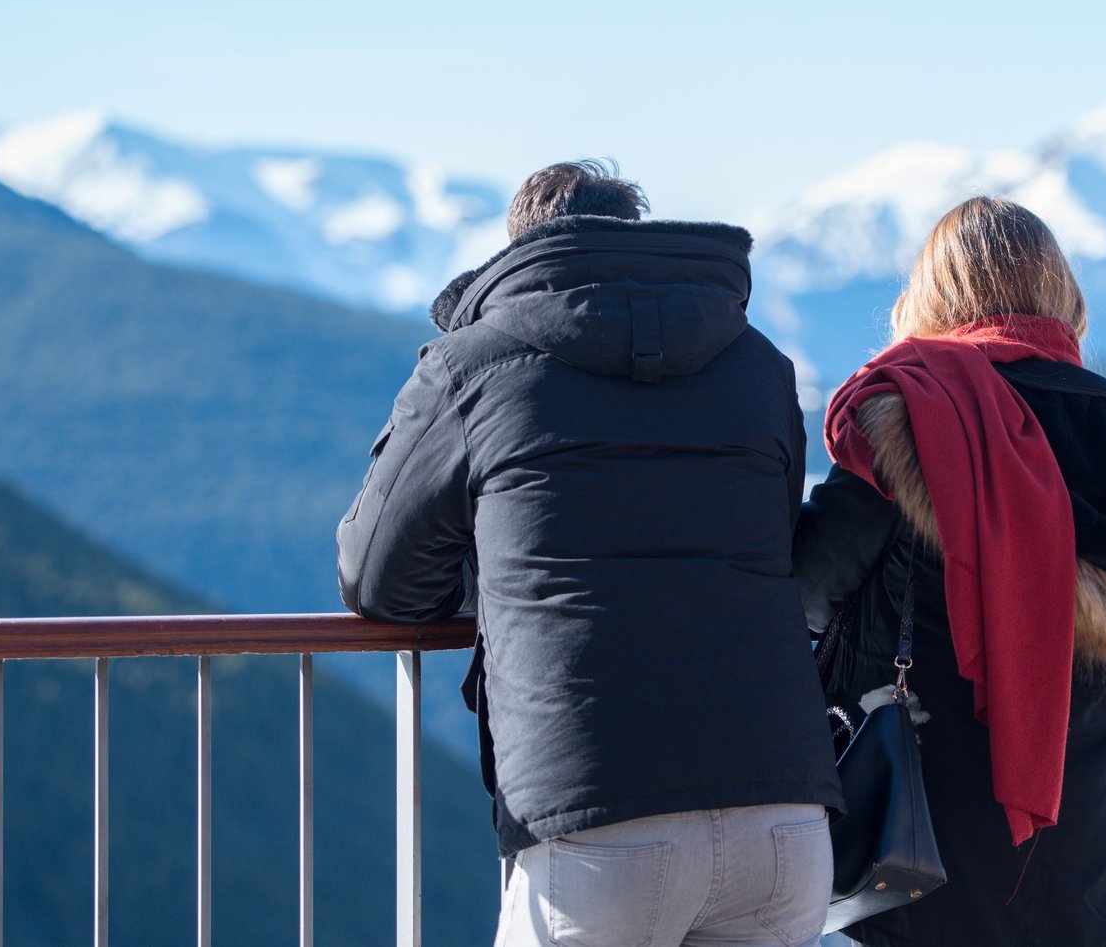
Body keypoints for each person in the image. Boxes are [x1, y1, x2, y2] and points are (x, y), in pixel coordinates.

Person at [339, 161, 843, 947]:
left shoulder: (471, 367)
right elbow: (770, 543)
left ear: (519, 253)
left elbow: (376, 580)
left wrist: (497, 566)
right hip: (783, 811)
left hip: (596, 819)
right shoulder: (760, 365)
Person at [795, 196, 1106, 947]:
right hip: (1103, 856)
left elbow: (803, 590)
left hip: (925, 848)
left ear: (934, 298)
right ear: (1064, 298)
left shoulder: (922, 421)